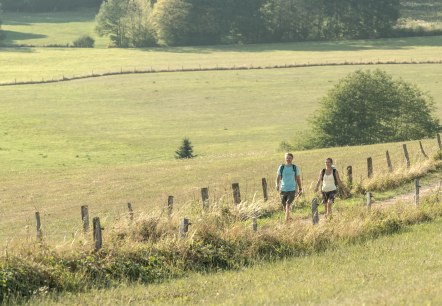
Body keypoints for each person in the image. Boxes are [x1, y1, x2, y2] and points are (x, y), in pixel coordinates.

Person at [276, 153, 302, 222]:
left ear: (292, 159)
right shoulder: (281, 167)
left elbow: (298, 178)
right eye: (287, 158)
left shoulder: (295, 168)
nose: (288, 159)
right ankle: (289, 218)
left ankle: (286, 220)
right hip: (283, 189)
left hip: (292, 189)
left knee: (288, 204)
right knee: (284, 206)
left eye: (289, 158)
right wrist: (277, 184)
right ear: (285, 158)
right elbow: (278, 177)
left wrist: (300, 188)